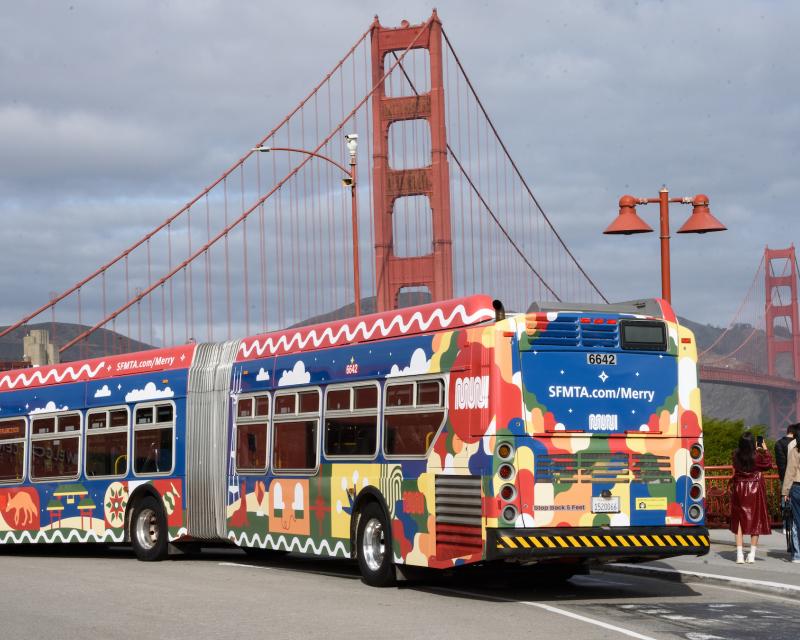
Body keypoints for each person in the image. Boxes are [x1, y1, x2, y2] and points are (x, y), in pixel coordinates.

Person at [729, 431, 773, 563]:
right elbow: (769, 465)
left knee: (739, 521)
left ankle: (739, 555)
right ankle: (752, 555)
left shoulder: (735, 455)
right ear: (753, 443)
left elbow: (736, 467)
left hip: (739, 490)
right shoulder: (757, 457)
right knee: (756, 520)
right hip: (755, 490)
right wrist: (765, 450)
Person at [782, 432, 800, 563]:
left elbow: (790, 471)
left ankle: (797, 555)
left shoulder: (795, 450)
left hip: (797, 487)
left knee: (796, 522)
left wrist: (785, 492)